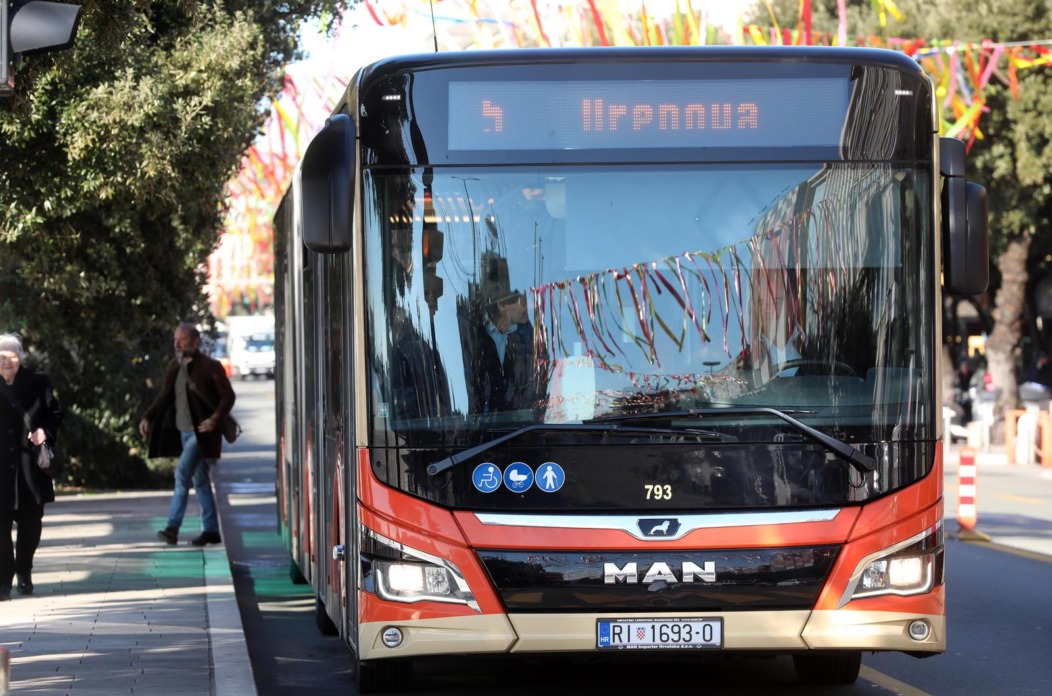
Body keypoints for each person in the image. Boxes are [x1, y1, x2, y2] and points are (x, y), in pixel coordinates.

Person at [139, 323, 235, 547]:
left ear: (196, 342)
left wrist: (215, 419)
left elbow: (228, 397)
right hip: (183, 433)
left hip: (202, 435)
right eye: (175, 340)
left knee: (182, 474)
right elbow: (164, 397)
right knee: (200, 481)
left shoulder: (211, 367)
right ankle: (211, 530)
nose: (177, 344)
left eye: (182, 340)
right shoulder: (175, 367)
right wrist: (147, 418)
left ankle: (172, 528)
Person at [0, 333, 63, 600]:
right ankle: (3, 580)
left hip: (30, 469)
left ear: (21, 356)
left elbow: (55, 415)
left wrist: (44, 432)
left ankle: (24, 571)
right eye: (0, 355)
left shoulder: (38, 382)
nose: (5, 361)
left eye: (11, 355)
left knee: (30, 525)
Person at [478, 291, 546, 414]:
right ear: (502, 305)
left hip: (518, 423)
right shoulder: (476, 331)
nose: (528, 307)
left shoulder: (528, 334)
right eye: (523, 303)